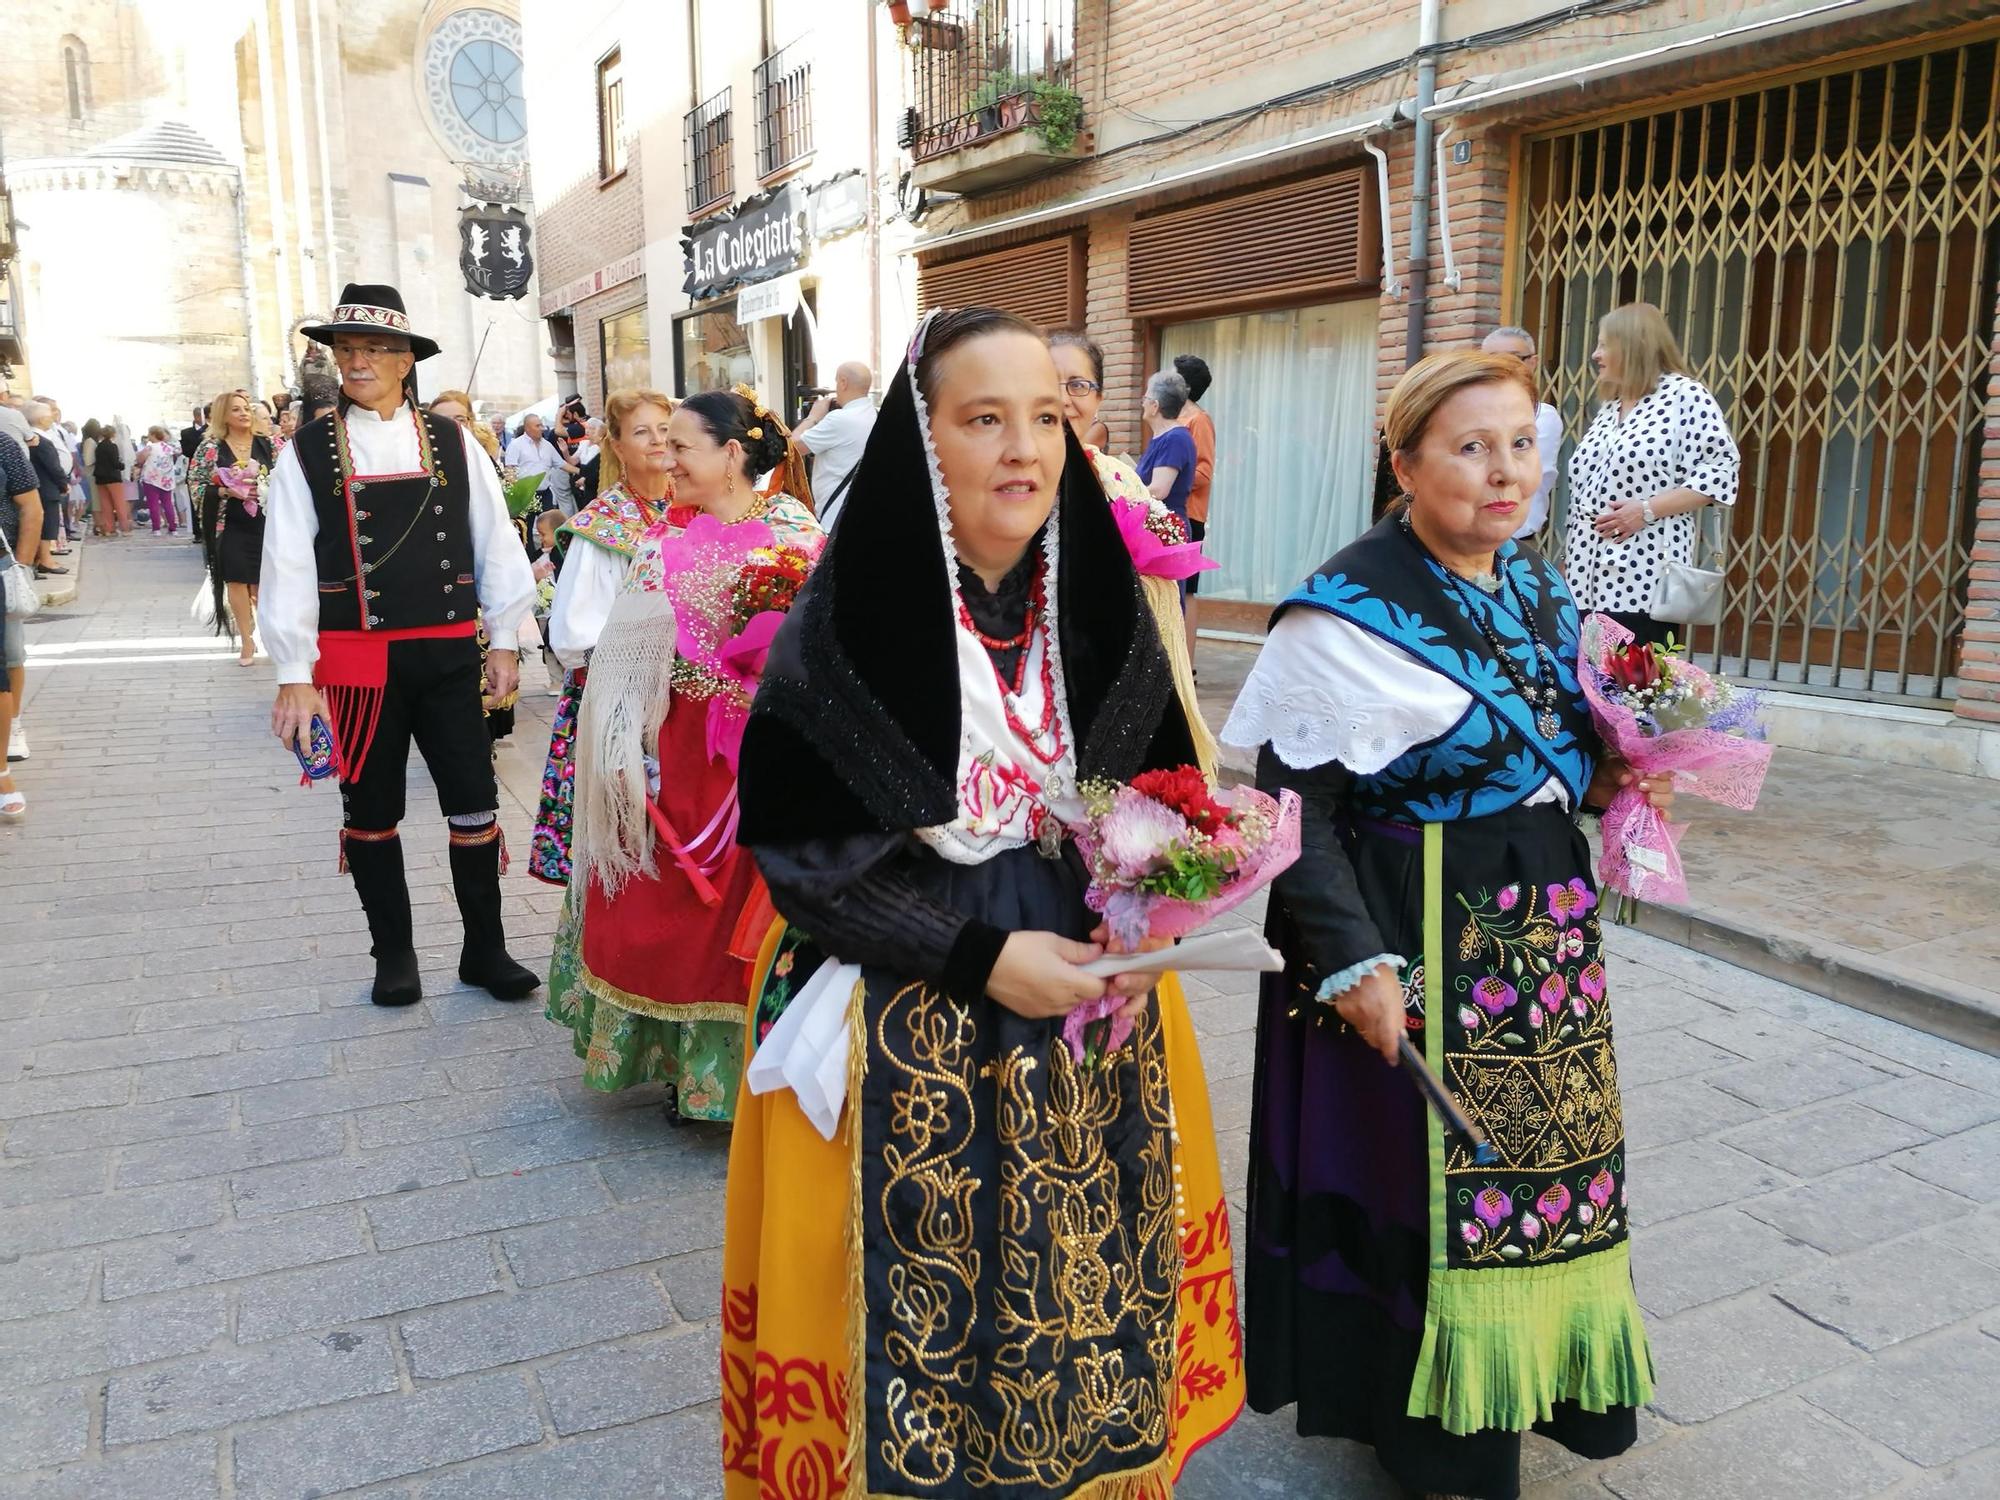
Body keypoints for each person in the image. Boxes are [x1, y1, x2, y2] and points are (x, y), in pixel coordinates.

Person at [720, 307, 1244, 1496]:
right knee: (924, 1308)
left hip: (1091, 1009)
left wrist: (1163, 890)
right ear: (922, 443)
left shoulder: (1103, 607)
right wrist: (979, 956)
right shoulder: (845, 625)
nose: (1022, 448)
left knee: (1083, 1278)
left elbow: (1159, 794)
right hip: (909, 1000)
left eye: (1045, 419)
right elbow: (803, 861)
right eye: (982, 420)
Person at [1221, 350, 1672, 1500]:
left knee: (1545, 1169)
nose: (1503, 471)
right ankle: (1429, 1435)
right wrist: (1350, 959)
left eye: (1520, 443)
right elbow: (1296, 813)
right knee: (1434, 1186)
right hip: (1415, 931)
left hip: (1542, 929)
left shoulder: (1532, 584)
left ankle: (1527, 1385)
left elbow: (1559, 746)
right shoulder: (1347, 611)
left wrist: (1626, 776)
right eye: (1469, 447)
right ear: (1405, 463)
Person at [262, 282, 539, 1009]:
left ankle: (486, 949)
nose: (358, 362)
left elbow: (496, 542)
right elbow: (286, 562)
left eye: (376, 349)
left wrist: (505, 639)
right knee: (371, 811)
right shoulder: (306, 453)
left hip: (450, 654)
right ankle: (395, 957)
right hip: (356, 659)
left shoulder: (452, 440)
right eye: (346, 349)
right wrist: (294, 672)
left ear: (405, 360)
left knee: (475, 804)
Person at [546, 388, 820, 1123]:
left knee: (751, 915)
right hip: (680, 744)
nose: (667, 460)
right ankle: (679, 1068)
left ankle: (757, 1065)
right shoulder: (665, 537)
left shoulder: (797, 535)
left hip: (765, 750)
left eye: (683, 446)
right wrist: (623, 744)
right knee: (663, 903)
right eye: (660, 443)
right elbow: (625, 656)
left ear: (733, 454)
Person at [1050, 330, 1220, 776]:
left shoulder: (1118, 478)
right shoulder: (1012, 476)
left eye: (1079, 385)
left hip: (1104, 661)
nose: (1065, 398)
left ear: (1099, 398)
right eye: (1050, 382)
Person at [528, 389, 678, 889]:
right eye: (642, 432)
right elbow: (574, 636)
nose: (658, 441)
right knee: (622, 838)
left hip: (686, 700)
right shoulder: (605, 526)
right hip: (620, 700)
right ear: (615, 444)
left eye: (664, 428)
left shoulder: (696, 505)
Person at [1565, 302, 1739, 650]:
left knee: (1633, 681)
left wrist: (1644, 510)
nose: (1596, 355)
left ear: (1633, 346)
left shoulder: (1684, 396)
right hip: (1585, 572)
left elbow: (1721, 471)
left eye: (1604, 345)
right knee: (1586, 680)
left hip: (1644, 573)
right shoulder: (1611, 407)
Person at [432, 390, 524, 745]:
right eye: (444, 421)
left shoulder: (486, 464)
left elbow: (502, 532)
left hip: (483, 592)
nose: (455, 428)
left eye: (461, 420)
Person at [191, 391, 274, 665]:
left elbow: (291, 478)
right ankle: (246, 640)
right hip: (230, 525)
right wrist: (227, 491)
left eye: (247, 408)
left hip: (267, 522)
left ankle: (270, 635)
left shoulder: (270, 444)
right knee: (236, 580)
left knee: (265, 582)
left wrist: (267, 487)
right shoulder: (210, 449)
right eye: (236, 409)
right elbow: (197, 485)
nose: (244, 413)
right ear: (223, 415)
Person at [1481, 327, 1564, 541]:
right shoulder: (1470, 412)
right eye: (1492, 359)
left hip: (1515, 542)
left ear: (1533, 362)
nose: (1502, 367)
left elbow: (1521, 476)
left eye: (1513, 359)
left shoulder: (1542, 416)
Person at [0, 428, 41, 800]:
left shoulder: (3, 444)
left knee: (10, 653)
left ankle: (12, 724)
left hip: (2, 566)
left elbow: (31, 506)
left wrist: (22, 565)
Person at [789, 359, 875, 528]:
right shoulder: (874, 415)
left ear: (843, 382)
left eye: (836, 382)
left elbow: (792, 447)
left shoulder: (840, 419)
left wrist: (813, 417)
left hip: (834, 517)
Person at [1173, 353, 1217, 668]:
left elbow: (1203, 472)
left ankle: (1187, 665)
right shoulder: (1174, 418)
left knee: (1187, 591)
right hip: (1168, 513)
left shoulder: (1198, 420)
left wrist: (1170, 478)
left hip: (1189, 516)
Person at [1138, 367, 1198, 532]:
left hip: (1168, 531)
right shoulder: (1162, 437)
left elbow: (1159, 490)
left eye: (1145, 397)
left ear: (1155, 406)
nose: (1142, 403)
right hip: (1157, 527)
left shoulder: (1175, 439)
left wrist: (1123, 493)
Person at [24, 403, 74, 576]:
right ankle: (45, 560)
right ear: (41, 418)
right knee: (48, 525)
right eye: (49, 414)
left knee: (46, 524)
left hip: (40, 487)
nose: (52, 417)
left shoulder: (33, 438)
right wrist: (63, 483)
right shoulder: (42, 441)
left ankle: (41, 559)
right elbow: (53, 466)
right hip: (47, 488)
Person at [505, 413, 574, 514]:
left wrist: (581, 472)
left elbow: (561, 464)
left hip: (545, 493)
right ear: (527, 428)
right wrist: (513, 495)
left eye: (541, 425)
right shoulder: (516, 445)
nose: (542, 428)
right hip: (525, 494)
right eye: (538, 426)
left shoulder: (547, 445)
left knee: (549, 524)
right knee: (527, 527)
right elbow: (510, 471)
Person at [135, 425, 181, 534]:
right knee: (168, 503)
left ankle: (156, 528)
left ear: (153, 435)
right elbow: (177, 452)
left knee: (153, 504)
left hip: (151, 478)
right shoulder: (168, 448)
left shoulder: (150, 448)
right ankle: (173, 527)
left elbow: (140, 460)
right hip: (166, 479)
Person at [91, 418, 132, 537]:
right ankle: (125, 528)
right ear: (113, 434)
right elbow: (115, 463)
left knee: (106, 504)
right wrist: (123, 465)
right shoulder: (112, 446)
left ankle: (109, 528)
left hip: (100, 477)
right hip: (112, 477)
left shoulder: (99, 447)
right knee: (119, 504)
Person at [571, 416, 603, 508]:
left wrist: (585, 479)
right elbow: (588, 469)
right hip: (588, 486)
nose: (588, 431)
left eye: (592, 429)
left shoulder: (603, 450)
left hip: (597, 488)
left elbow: (598, 470)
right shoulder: (584, 444)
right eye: (587, 428)